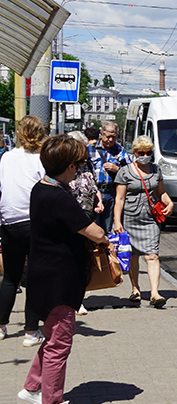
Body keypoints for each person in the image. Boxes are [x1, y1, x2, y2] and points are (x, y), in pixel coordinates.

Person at [18, 134, 112, 404]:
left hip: (42, 275)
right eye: (78, 164)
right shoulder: (60, 197)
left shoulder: (40, 188)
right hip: (58, 279)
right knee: (60, 342)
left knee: (51, 338)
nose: (79, 169)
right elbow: (95, 233)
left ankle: (34, 387)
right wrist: (106, 240)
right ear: (69, 166)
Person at [0, 116, 48, 346]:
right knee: (36, 278)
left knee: (10, 277)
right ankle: (31, 332)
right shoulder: (41, 159)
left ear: (19, 134)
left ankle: (0, 326)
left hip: (8, 222)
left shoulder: (6, 158)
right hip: (34, 222)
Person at [113, 135, 173, 306]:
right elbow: (120, 199)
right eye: (141, 152)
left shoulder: (155, 170)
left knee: (152, 255)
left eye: (148, 152)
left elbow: (160, 192)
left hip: (150, 219)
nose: (145, 155)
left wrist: (170, 203)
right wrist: (117, 221)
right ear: (134, 152)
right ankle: (135, 289)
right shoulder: (124, 171)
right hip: (130, 219)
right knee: (133, 256)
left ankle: (154, 293)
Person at [67, 132, 102, 316]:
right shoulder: (65, 166)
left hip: (88, 216)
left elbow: (93, 185)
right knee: (70, 259)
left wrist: (99, 201)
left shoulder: (87, 164)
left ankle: (78, 300)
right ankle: (69, 299)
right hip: (70, 218)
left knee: (83, 259)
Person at [89, 121, 131, 233]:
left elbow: (130, 171)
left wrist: (117, 169)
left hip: (111, 192)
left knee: (108, 228)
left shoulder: (119, 150)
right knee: (93, 227)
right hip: (94, 192)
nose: (111, 140)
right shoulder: (90, 149)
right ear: (101, 135)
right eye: (108, 137)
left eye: (114, 137)